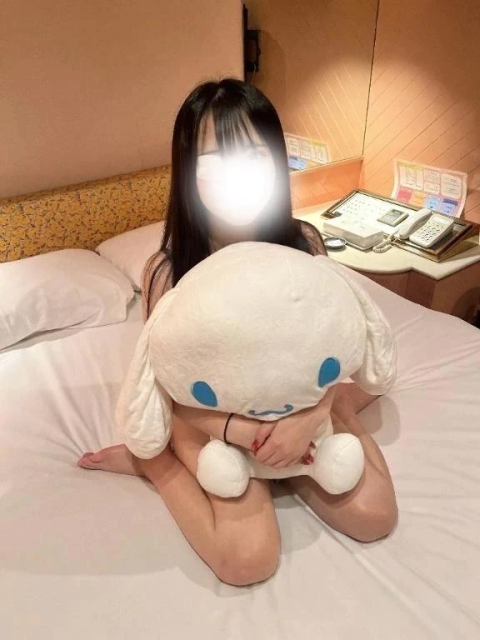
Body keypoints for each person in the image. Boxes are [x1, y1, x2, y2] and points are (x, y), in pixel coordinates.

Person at [78, 78, 397, 586]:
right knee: (247, 560)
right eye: (215, 162)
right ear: (188, 172)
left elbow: (328, 348)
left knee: (375, 516)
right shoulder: (169, 272)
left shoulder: (304, 243)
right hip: (211, 419)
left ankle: (308, 439)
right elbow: (173, 388)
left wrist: (310, 416)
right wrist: (240, 432)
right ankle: (153, 466)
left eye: (252, 156)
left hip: (300, 406)